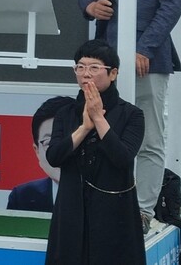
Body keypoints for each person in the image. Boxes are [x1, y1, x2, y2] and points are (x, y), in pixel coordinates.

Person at [77, 0, 181, 233]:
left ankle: (142, 210)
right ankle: (104, 199)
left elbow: (171, 6)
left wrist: (145, 47)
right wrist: (91, 6)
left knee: (150, 136)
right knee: (99, 128)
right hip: (105, 59)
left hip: (148, 59)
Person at [44, 40, 146, 265]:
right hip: (72, 207)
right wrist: (84, 128)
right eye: (80, 67)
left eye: (93, 68)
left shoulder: (132, 115)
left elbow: (123, 158)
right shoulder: (65, 113)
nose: (85, 74)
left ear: (113, 73)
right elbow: (54, 157)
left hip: (114, 211)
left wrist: (98, 118)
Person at [7, 96, 74, 213]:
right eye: (48, 142)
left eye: (67, 140)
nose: (59, 151)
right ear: (37, 151)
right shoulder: (22, 197)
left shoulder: (105, 193)